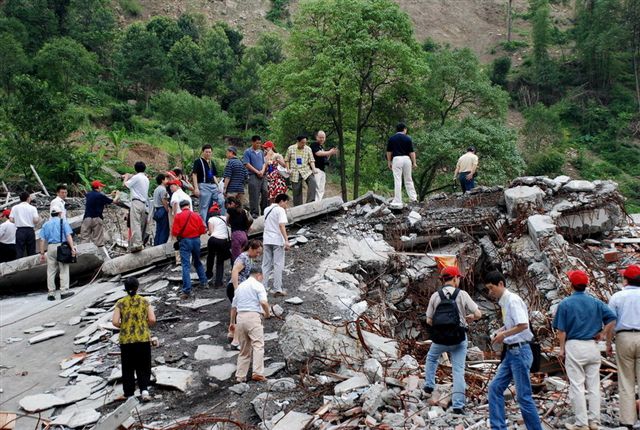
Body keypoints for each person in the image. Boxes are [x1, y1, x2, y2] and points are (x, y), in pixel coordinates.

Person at [552, 270, 616, 430]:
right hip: (592, 346)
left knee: (577, 385)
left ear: (571, 285)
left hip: (574, 345)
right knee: (594, 385)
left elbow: (561, 331)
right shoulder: (595, 302)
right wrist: (602, 333)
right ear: (586, 285)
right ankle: (595, 421)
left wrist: (561, 350)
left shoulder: (565, 303)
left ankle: (582, 423)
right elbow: (612, 318)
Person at [485, 271, 542, 430]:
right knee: (495, 388)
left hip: (520, 351)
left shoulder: (513, 300)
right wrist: (500, 331)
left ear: (501, 284)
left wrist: (503, 334)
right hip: (511, 352)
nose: (490, 292)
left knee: (523, 396)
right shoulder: (505, 302)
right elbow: (513, 325)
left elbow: (523, 325)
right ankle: (498, 427)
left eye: (491, 288)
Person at [423, 266, 481, 414]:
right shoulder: (462, 294)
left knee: (431, 358)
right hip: (458, 339)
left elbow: (429, 320)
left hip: (440, 339)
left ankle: (429, 385)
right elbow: (478, 313)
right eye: (459, 278)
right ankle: (458, 406)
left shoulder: (435, 296)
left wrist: (440, 325)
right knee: (458, 371)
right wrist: (471, 318)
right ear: (455, 278)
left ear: (443, 280)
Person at [606, 264, 640, 430]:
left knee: (626, 379)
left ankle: (627, 420)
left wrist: (608, 343)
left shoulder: (617, 297)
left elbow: (610, 322)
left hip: (624, 337)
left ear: (626, 279)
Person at [112, 277, 156, 402]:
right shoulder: (145, 301)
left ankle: (129, 394)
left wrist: (125, 326)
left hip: (126, 340)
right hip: (142, 338)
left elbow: (115, 322)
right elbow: (152, 320)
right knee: (143, 364)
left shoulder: (120, 303)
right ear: (137, 287)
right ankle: (144, 390)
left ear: (125, 289)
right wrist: (142, 324)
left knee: (128, 367)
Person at [230, 266, 270, 383]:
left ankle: (240, 376)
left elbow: (233, 307)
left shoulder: (240, 287)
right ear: (259, 275)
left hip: (240, 318)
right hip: (253, 316)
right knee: (258, 345)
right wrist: (267, 313)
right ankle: (257, 373)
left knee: (244, 349)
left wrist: (232, 323)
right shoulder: (258, 285)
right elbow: (263, 302)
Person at [227, 239, 263, 346]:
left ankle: (232, 333)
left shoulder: (249, 258)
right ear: (250, 249)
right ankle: (235, 340)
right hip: (236, 288)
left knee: (237, 311)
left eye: (259, 253)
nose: (258, 255)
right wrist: (237, 289)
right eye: (257, 252)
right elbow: (234, 271)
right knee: (240, 312)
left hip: (240, 288)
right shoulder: (243, 258)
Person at [39, 202, 76, 301]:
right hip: (61, 247)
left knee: (51, 271)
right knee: (63, 269)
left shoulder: (46, 224)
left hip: (50, 248)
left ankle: (51, 293)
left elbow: (42, 240)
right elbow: (68, 236)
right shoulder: (63, 222)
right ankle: (64, 291)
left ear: (51, 214)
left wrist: (42, 253)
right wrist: (72, 248)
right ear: (60, 213)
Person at [171, 200, 207, 300]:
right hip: (196, 240)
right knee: (197, 262)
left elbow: (175, 231)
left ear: (180, 207)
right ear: (189, 206)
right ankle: (204, 282)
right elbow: (203, 229)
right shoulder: (196, 215)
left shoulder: (178, 216)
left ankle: (187, 290)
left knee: (186, 265)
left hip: (185, 241)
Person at [262, 193, 290, 297]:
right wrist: (286, 240)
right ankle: (277, 288)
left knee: (266, 264)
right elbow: (281, 225)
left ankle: (263, 287)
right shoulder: (280, 210)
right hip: (277, 240)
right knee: (278, 264)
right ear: (282, 201)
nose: (286, 205)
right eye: (286, 203)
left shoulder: (266, 209)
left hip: (267, 239)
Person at [81, 180, 119, 251]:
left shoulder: (88, 194)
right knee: (98, 239)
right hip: (96, 219)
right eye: (101, 186)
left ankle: (83, 253)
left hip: (86, 219)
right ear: (98, 187)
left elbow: (99, 197)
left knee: (85, 238)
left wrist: (110, 194)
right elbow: (113, 201)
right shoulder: (100, 196)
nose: (102, 188)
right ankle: (99, 254)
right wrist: (117, 195)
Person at [386, 123, 418, 207]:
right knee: (408, 179)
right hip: (407, 159)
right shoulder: (408, 138)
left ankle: (398, 200)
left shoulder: (392, 138)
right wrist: (414, 162)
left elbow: (389, 152)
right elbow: (412, 152)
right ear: (404, 129)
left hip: (397, 159)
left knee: (397, 180)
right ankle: (413, 198)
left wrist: (389, 161)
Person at [192, 144, 223, 226]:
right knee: (204, 206)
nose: (208, 154)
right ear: (203, 152)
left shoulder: (211, 162)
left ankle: (218, 221)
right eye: (206, 152)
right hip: (203, 185)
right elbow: (194, 174)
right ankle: (203, 225)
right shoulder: (198, 161)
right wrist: (196, 188)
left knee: (221, 201)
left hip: (213, 186)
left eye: (210, 152)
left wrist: (218, 186)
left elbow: (213, 175)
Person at [123, 162, 149, 253]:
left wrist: (126, 177)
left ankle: (137, 244)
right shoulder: (145, 178)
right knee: (140, 224)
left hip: (136, 202)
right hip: (143, 204)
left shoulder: (136, 177)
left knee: (135, 224)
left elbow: (125, 185)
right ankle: (140, 242)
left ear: (135, 168)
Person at [285, 135, 318, 206]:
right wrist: (288, 169)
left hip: (306, 170)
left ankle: (310, 203)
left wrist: (314, 169)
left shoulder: (308, 149)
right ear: (298, 142)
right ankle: (298, 207)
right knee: (297, 192)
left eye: (305, 143)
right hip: (295, 171)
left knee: (313, 182)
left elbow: (311, 160)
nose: (304, 144)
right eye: (302, 143)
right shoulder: (291, 148)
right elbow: (287, 160)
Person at [206, 202, 231, 288]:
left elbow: (211, 232)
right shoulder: (224, 218)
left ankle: (208, 274)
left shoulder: (211, 219)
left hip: (213, 240)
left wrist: (208, 232)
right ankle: (218, 282)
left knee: (210, 257)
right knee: (220, 261)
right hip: (223, 241)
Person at [243, 135, 268, 218]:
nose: (259, 145)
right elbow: (247, 164)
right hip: (253, 175)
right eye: (257, 143)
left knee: (265, 192)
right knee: (254, 194)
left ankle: (264, 211)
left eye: (260, 143)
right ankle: (254, 212)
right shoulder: (248, 152)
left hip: (263, 175)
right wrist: (257, 172)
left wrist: (262, 170)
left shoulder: (261, 152)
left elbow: (264, 163)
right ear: (253, 142)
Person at [9, 192, 40, 259]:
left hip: (20, 230)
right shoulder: (32, 208)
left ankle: (19, 266)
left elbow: (11, 219)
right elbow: (36, 220)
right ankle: (31, 266)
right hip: (30, 230)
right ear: (28, 198)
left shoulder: (15, 207)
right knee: (31, 250)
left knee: (19, 250)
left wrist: (18, 221)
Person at [311, 130, 338, 201]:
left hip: (322, 170)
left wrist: (331, 153)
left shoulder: (321, 147)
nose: (322, 139)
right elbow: (318, 153)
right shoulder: (314, 145)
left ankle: (319, 202)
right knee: (316, 187)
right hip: (316, 169)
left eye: (323, 137)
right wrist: (329, 152)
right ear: (317, 137)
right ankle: (315, 203)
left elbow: (325, 158)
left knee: (321, 188)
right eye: (320, 137)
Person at [226, 196, 252, 262]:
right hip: (244, 235)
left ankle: (236, 271)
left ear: (232, 203)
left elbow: (227, 221)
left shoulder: (230, 210)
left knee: (236, 257)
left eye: (227, 205)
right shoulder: (243, 211)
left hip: (236, 235)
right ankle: (246, 269)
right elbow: (249, 221)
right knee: (244, 255)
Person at [152, 174, 170, 245]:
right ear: (162, 180)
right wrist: (167, 210)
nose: (167, 181)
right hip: (162, 210)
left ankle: (156, 244)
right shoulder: (163, 189)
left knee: (158, 229)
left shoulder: (156, 189)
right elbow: (164, 201)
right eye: (166, 179)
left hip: (157, 210)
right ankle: (161, 245)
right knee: (164, 229)